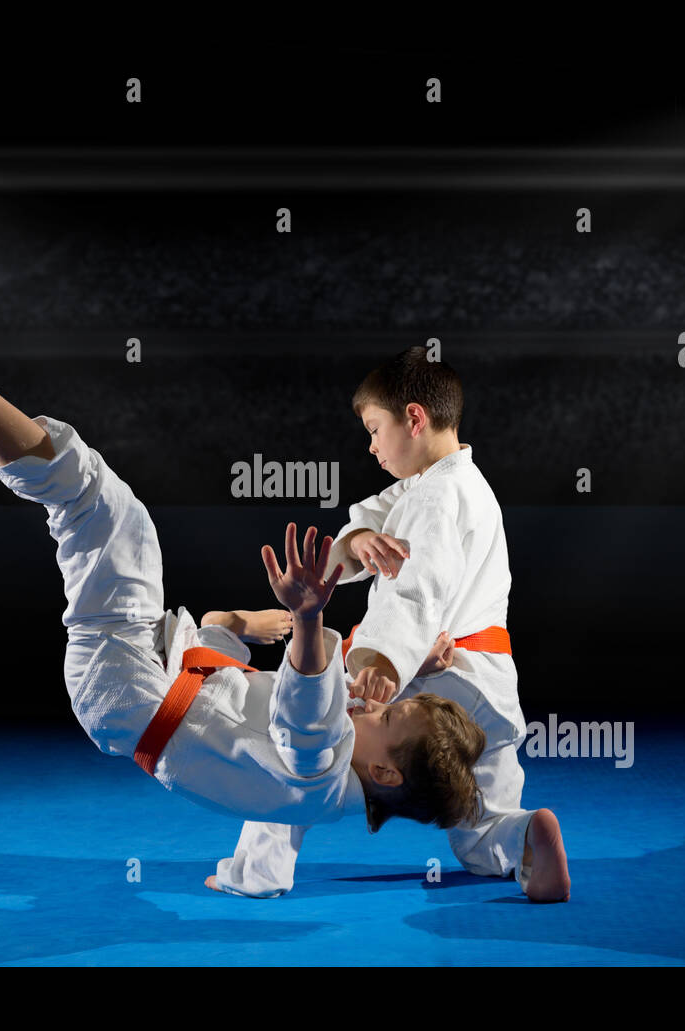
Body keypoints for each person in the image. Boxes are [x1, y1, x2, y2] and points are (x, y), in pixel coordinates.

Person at [0, 255, 487, 835]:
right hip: (150, 674)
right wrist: (234, 628)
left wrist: (309, 618)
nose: (371, 705)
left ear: (383, 771)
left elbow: (307, 712)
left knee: (98, 505)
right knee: (116, 515)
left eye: (385, 715)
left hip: (128, 684)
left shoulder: (324, 769)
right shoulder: (347, 765)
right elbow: (253, 705)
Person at [209, 347, 571, 902]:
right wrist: (358, 542)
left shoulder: (435, 497)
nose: (372, 446)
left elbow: (415, 589)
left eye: (376, 429)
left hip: (422, 679)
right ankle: (523, 836)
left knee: (302, 744)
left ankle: (257, 872)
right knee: (476, 820)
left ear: (416, 418)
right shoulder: (450, 486)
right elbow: (367, 524)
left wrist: (381, 659)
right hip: (488, 687)